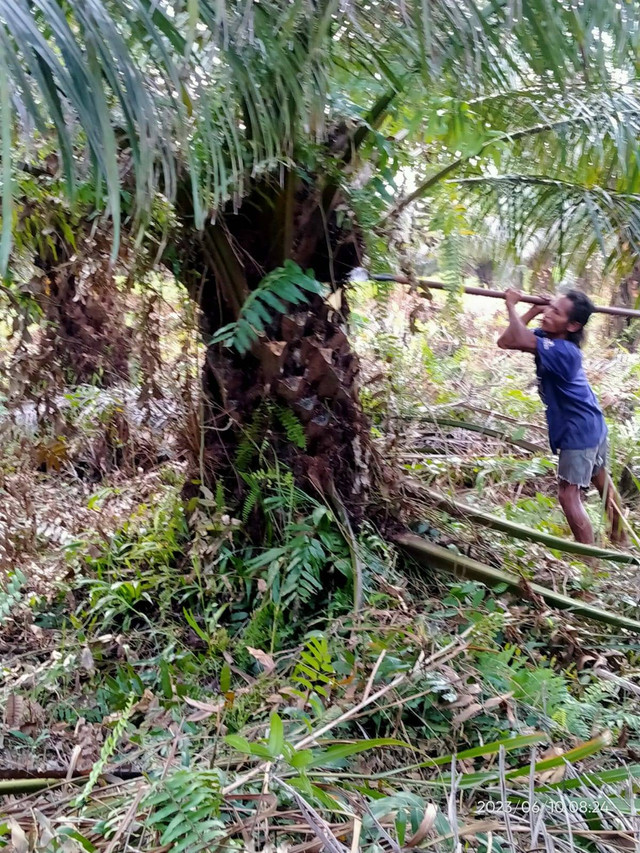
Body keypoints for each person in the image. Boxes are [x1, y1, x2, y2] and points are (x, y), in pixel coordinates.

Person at [497, 288, 625, 546]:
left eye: (556, 312)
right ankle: (620, 538)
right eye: (550, 307)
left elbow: (519, 338)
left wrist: (512, 306)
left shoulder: (565, 351)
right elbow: (507, 341)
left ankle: (588, 561)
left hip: (578, 429)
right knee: (601, 479)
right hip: (592, 422)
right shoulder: (548, 338)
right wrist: (532, 309)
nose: (548, 314)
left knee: (568, 496)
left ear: (573, 324)